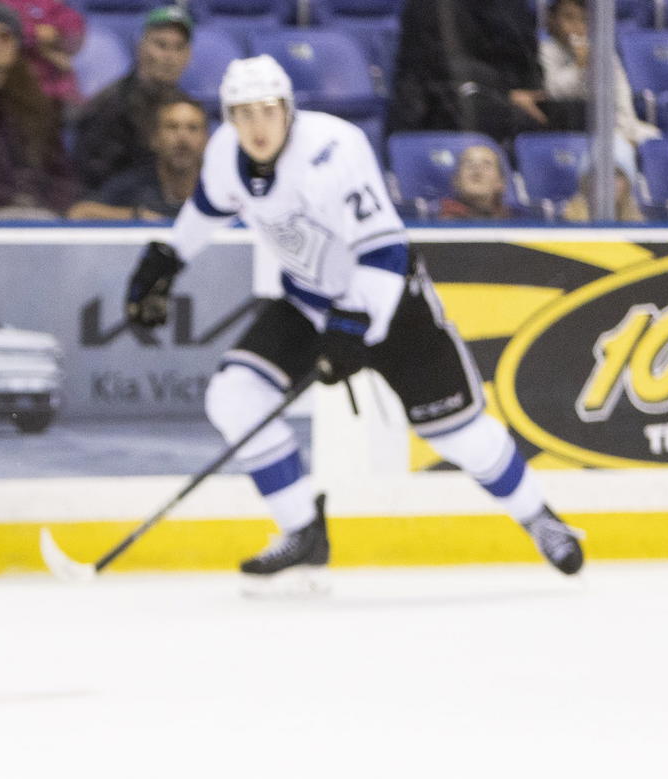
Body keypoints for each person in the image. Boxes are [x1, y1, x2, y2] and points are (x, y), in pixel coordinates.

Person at [124, 56, 585, 580]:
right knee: (234, 396)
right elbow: (208, 208)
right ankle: (303, 531)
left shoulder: (335, 147)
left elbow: (384, 250)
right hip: (308, 301)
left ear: (288, 110)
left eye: (267, 111)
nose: (256, 125)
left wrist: (350, 328)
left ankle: (540, 517)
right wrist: (163, 262)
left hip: (392, 306)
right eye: (243, 113)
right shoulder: (226, 153)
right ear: (229, 117)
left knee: (457, 436)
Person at [0, 2, 79, 218]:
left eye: (4, 36)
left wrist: (51, 205)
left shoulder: (38, 106)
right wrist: (8, 198)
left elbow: (60, 172)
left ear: (17, 44)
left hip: (39, 214)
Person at [388, 0, 549, 143]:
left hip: (506, 94)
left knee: (560, 114)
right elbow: (441, 63)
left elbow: (527, 53)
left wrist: (533, 93)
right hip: (440, 96)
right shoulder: (433, 5)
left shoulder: (512, 5)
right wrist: (507, 94)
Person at [72, 4, 192, 194]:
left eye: (179, 47)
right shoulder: (108, 106)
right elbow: (93, 179)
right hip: (121, 209)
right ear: (141, 47)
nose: (170, 57)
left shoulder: (187, 107)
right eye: (161, 45)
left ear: (188, 55)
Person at [538, 0, 659, 154]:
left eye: (584, 20)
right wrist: (579, 68)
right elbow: (554, 91)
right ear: (552, 19)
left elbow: (620, 96)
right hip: (574, 128)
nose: (577, 26)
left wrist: (624, 133)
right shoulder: (546, 50)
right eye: (569, 17)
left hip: (614, 125)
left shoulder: (602, 53)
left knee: (654, 138)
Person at [67, 91, 206, 221]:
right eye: (172, 127)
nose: (182, 138)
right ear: (154, 139)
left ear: (207, 140)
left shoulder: (219, 185)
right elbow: (79, 213)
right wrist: (136, 216)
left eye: (193, 128)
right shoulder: (133, 184)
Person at [0, 0, 86, 111]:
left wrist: (53, 40)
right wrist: (36, 35)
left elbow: (73, 35)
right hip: (1, 91)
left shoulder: (50, 6)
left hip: (54, 96)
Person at [560, 138, 645, 222]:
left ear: (628, 183)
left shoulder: (638, 226)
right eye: (599, 173)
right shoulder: (566, 225)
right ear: (585, 181)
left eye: (616, 174)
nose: (607, 182)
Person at [436, 143, 513, 220]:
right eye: (469, 164)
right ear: (456, 180)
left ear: (501, 182)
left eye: (487, 164)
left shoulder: (514, 219)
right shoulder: (438, 218)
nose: (477, 170)